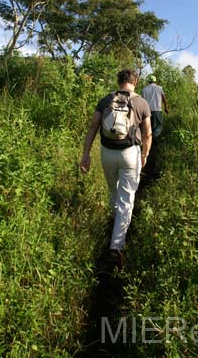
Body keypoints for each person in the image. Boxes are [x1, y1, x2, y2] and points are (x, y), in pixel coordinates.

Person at [80, 68, 152, 268]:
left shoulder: (105, 100)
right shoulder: (141, 103)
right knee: (127, 199)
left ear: (119, 81)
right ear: (134, 82)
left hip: (107, 153)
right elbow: (148, 134)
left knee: (114, 191)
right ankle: (116, 246)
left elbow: (93, 126)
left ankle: (114, 221)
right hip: (130, 154)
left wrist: (86, 155)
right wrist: (145, 155)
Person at [142, 74, 169, 141]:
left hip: (147, 111)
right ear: (155, 81)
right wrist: (166, 108)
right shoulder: (159, 88)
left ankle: (151, 143)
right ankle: (154, 138)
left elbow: (142, 101)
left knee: (149, 127)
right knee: (159, 126)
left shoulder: (144, 89)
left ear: (148, 81)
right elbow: (164, 99)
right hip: (157, 110)